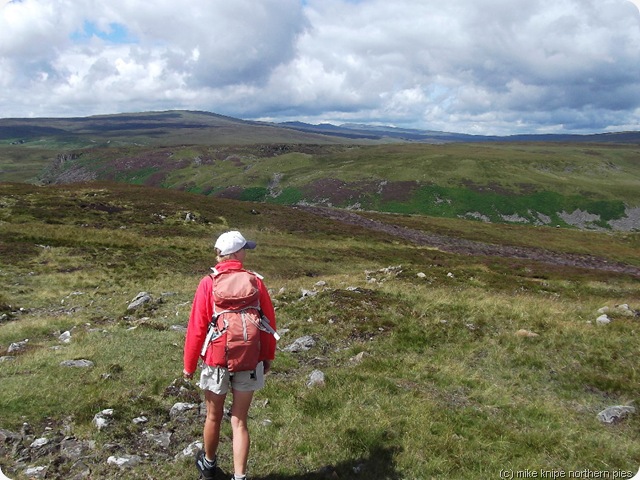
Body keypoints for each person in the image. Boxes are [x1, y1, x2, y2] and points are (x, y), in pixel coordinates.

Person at [183, 230, 277, 480]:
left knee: (213, 416)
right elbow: (268, 323)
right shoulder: (255, 281)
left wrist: (189, 365)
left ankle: (209, 465)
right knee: (240, 421)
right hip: (249, 359)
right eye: (244, 249)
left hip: (216, 361)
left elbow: (197, 328)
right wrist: (267, 357)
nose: (246, 253)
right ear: (235, 253)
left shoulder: (208, 283)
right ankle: (239, 477)